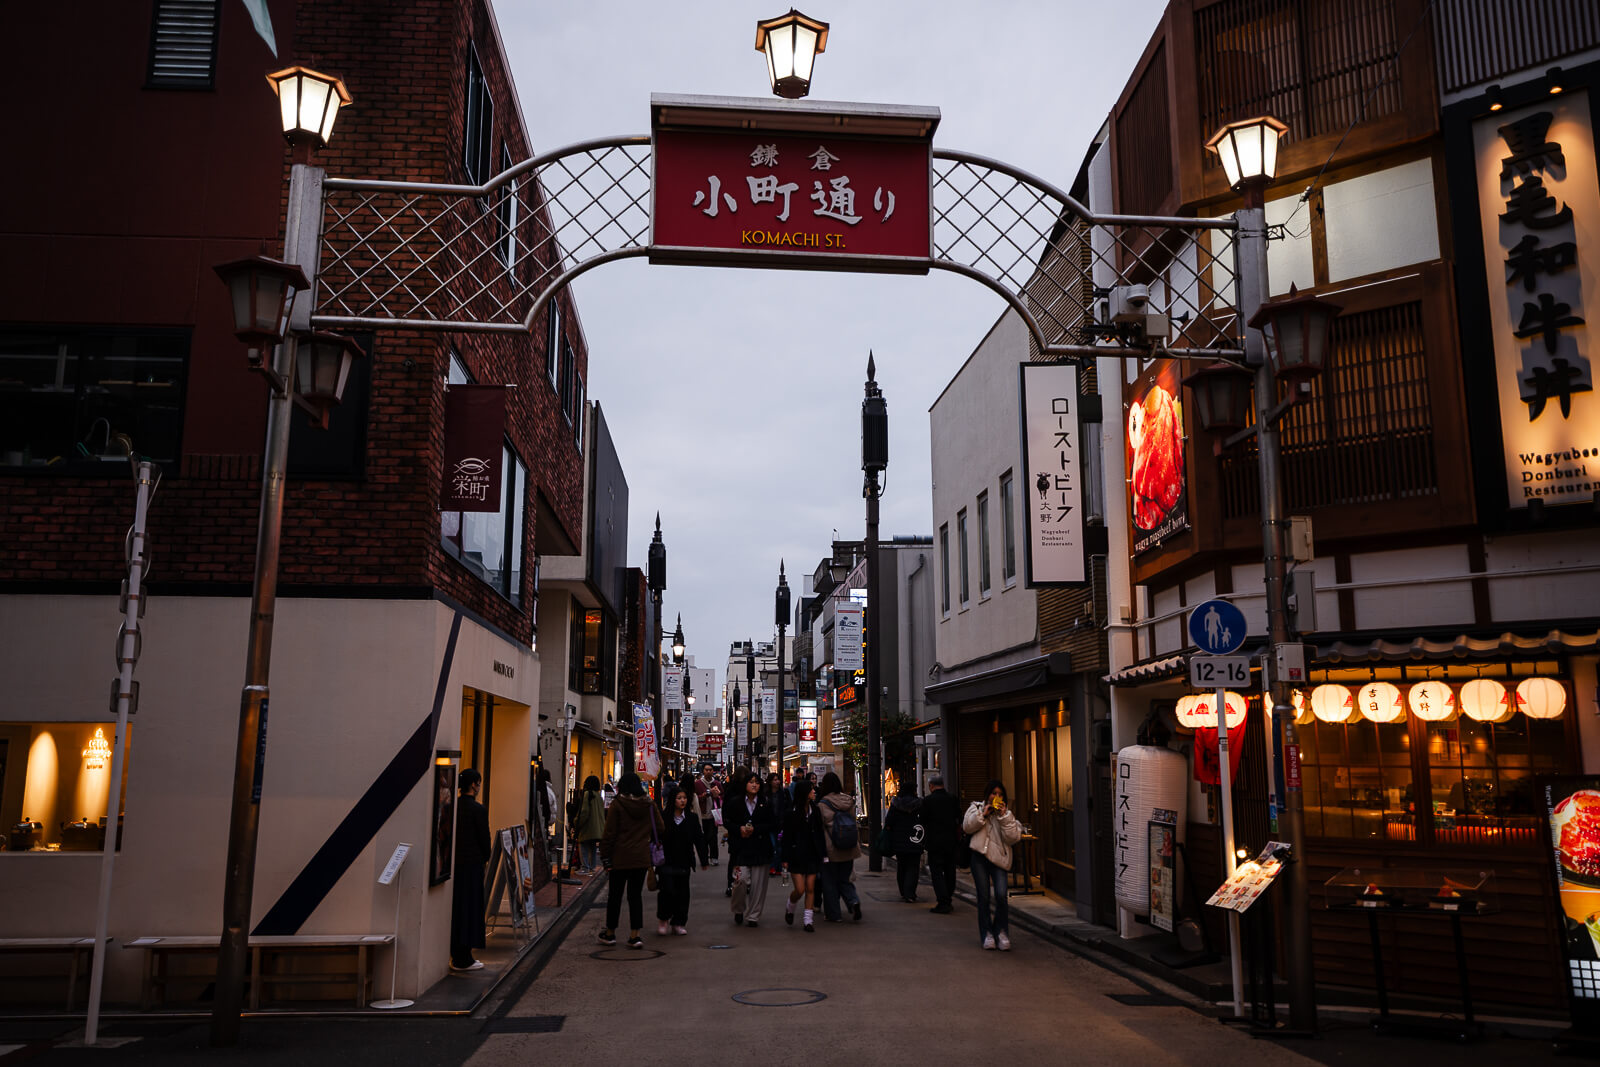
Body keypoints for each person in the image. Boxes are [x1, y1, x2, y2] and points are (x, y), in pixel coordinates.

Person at [963, 779, 1023, 951]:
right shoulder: (976, 808)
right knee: (983, 897)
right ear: (987, 794)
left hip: (999, 859)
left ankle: (1001, 931)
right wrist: (983, 814)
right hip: (979, 857)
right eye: (993, 793)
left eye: (1000, 794)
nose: (996, 797)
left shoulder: (1007, 814)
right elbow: (967, 827)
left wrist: (1004, 817)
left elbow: (1013, 838)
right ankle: (987, 933)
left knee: (1001, 895)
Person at [598, 772, 655, 949]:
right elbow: (659, 828)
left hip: (619, 857)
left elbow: (609, 833)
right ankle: (635, 935)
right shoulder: (648, 805)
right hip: (640, 858)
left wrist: (605, 856)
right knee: (635, 896)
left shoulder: (617, 805)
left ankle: (610, 933)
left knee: (615, 896)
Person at [449, 768, 491, 971]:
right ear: (474, 785)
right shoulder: (478, 810)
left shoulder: (451, 807)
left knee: (457, 910)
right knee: (471, 910)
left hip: (453, 866)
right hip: (473, 866)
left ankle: (456, 952)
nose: (479, 786)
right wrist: (486, 858)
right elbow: (485, 842)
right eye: (479, 783)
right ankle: (464, 958)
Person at [725, 771, 775, 927]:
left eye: (757, 782)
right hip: (741, 848)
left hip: (761, 847)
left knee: (759, 885)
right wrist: (739, 829)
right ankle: (738, 909)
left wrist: (756, 829)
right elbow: (727, 821)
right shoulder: (735, 802)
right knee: (740, 881)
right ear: (745, 784)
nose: (754, 785)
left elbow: (773, 824)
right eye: (751, 782)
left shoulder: (765, 802)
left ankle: (753, 916)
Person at [654, 784, 703, 936]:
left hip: (684, 861)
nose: (682, 801)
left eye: (684, 798)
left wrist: (704, 859)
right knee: (667, 891)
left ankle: (679, 922)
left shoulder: (691, 818)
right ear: (672, 800)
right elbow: (654, 837)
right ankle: (663, 919)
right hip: (666, 861)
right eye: (679, 798)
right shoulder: (663, 817)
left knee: (683, 893)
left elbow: (698, 839)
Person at [815, 771, 863, 923]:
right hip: (848, 846)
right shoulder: (848, 800)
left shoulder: (822, 804)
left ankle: (834, 914)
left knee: (829, 882)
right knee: (845, 879)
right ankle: (853, 901)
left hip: (830, 849)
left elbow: (818, 829)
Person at [781, 778, 828, 932]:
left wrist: (823, 854)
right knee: (800, 889)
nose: (814, 792)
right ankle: (790, 906)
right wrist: (785, 858)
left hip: (812, 854)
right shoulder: (791, 813)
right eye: (811, 789)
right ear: (804, 793)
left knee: (810, 887)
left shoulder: (815, 811)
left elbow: (820, 834)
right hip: (796, 854)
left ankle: (808, 921)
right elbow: (786, 837)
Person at [920, 774, 961, 914]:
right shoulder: (952, 799)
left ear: (931, 786)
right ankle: (948, 897)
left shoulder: (928, 801)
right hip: (951, 841)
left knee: (937, 872)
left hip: (934, 842)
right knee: (950, 870)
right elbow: (958, 817)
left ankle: (943, 901)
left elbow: (923, 819)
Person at [885, 781, 925, 902]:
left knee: (902, 866)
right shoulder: (920, 804)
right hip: (916, 838)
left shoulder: (896, 804)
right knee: (913, 866)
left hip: (899, 840)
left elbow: (889, 821)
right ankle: (910, 893)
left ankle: (903, 891)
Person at [574, 775, 606, 873]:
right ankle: (592, 867)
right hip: (597, 828)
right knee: (592, 847)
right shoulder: (598, 796)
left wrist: (577, 821)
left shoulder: (587, 794)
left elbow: (584, 812)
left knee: (583, 845)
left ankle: (585, 868)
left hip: (588, 826)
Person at [766, 772, 791, 878]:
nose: (777, 782)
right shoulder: (766, 794)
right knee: (772, 845)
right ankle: (772, 866)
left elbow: (789, 806)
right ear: (770, 782)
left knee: (780, 846)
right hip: (770, 824)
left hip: (782, 824)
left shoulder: (784, 793)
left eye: (778, 779)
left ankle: (778, 867)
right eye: (774, 780)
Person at [696, 769, 721, 867]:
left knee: (713, 837)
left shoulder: (717, 783)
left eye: (710, 770)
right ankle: (705, 858)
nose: (708, 771)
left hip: (714, 814)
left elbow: (722, 796)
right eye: (706, 770)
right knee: (703, 838)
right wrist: (704, 795)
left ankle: (714, 857)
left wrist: (718, 795)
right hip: (702, 814)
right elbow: (695, 797)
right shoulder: (698, 784)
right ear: (703, 771)